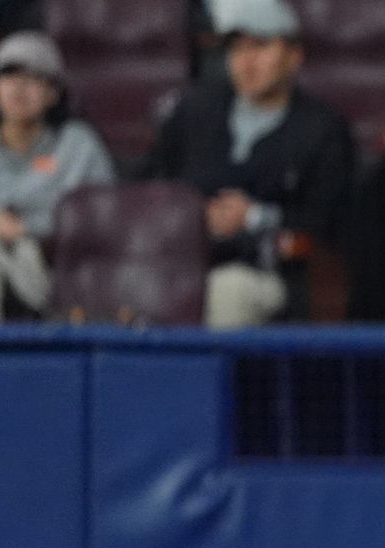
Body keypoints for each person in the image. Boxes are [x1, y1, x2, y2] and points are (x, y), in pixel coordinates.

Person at [141, 0, 354, 328]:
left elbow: (329, 221)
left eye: (261, 46)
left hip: (269, 271)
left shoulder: (322, 129)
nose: (246, 61)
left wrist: (253, 216)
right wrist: (192, 214)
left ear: (294, 56)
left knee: (227, 291)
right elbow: (154, 182)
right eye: (237, 49)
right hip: (183, 257)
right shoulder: (195, 110)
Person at [0, 31, 112, 322]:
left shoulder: (79, 145)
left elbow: (104, 223)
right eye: (9, 75)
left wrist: (28, 231)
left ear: (54, 92)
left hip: (49, 272)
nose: (19, 87)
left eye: (34, 78)